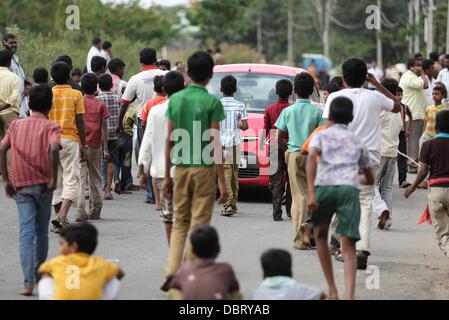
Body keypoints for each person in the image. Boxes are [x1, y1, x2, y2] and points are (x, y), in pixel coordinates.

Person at [324, 58, 401, 269]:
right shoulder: (375, 97)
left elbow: (328, 129)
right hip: (370, 159)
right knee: (365, 202)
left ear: (344, 78)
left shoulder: (334, 97)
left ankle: (335, 240)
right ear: (365, 77)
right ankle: (361, 249)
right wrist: (377, 84)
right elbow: (397, 106)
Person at [161, 51, 228, 290]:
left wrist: (167, 176)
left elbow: (169, 139)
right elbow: (215, 142)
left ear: (187, 73)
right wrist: (223, 182)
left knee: (180, 222)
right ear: (211, 76)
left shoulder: (176, 100)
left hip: (180, 168)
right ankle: (187, 274)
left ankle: (171, 271)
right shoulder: (212, 102)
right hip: (204, 169)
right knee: (199, 226)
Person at [307, 96, 375, 300]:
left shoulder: (321, 136)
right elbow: (369, 177)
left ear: (329, 116)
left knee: (320, 236)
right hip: (348, 190)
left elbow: (311, 158)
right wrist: (355, 176)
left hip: (324, 188)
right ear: (351, 118)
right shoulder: (357, 141)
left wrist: (311, 191)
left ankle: (333, 290)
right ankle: (350, 296)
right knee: (348, 246)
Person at [0, 84, 60, 296]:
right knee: (41, 232)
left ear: (29, 104)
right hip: (44, 185)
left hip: (21, 185)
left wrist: (6, 179)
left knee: (26, 233)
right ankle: (38, 274)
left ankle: (28, 283)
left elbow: (2, 147)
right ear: (50, 105)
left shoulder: (16, 126)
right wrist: (54, 177)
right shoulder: (51, 127)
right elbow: (54, 148)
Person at [275, 73, 323, 250]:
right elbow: (322, 134)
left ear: (294, 91)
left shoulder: (288, 111)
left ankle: (300, 238)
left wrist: (287, 147)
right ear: (312, 91)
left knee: (298, 196)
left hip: (294, 154)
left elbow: (278, 135)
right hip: (314, 156)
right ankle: (312, 235)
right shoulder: (318, 112)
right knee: (313, 194)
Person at [139, 71, 185, 245]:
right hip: (187, 170)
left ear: (164, 89)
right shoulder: (192, 109)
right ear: (183, 88)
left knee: (169, 214)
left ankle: (173, 249)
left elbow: (148, 139)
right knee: (184, 213)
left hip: (161, 172)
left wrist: (142, 169)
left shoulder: (156, 111)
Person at [38, 223, 125, 300]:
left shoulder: (57, 262)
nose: (60, 248)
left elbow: (41, 271)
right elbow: (120, 273)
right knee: (111, 277)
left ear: (73, 247)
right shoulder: (100, 264)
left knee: (46, 276)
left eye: (61, 244)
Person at [48, 62, 87, 232]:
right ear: (69, 76)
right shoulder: (76, 94)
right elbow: (80, 121)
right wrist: (84, 144)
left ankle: (60, 220)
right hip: (69, 140)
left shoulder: (47, 94)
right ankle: (62, 215)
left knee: (56, 180)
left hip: (50, 140)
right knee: (71, 178)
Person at [405, 110, 449, 258]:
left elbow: (423, 171)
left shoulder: (428, 145)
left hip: (436, 191)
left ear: (436, 128)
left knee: (443, 234)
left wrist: (412, 187)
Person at [167, 225, 241, 300]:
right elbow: (235, 288)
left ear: (192, 251)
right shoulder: (226, 269)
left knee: (173, 292)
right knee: (236, 295)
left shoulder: (185, 268)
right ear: (218, 249)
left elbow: (174, 286)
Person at [76, 73, 109, 221]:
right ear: (96, 87)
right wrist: (106, 147)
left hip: (80, 144)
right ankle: (96, 210)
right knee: (96, 178)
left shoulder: (78, 102)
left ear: (81, 87)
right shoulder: (100, 105)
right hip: (96, 145)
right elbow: (104, 128)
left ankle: (80, 211)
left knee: (80, 178)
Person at [371, 79, 404, 231]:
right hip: (393, 151)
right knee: (387, 188)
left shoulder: (381, 109)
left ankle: (381, 210)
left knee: (372, 185)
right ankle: (388, 220)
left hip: (379, 151)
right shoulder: (398, 110)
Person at [261, 80, 293, 221]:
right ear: (291, 92)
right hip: (291, 145)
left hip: (274, 144)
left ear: (276, 91)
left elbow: (266, 130)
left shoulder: (269, 109)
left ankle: (276, 213)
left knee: (276, 179)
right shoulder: (292, 109)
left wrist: (262, 144)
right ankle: (290, 211)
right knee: (291, 178)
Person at [219, 75, 249, 216]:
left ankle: (228, 205)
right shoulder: (240, 105)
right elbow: (245, 127)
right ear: (235, 90)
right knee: (234, 175)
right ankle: (233, 203)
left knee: (226, 174)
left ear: (220, 89)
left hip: (221, 144)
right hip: (236, 143)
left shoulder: (216, 105)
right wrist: (238, 124)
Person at [251, 249, 324, 300]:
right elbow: (322, 295)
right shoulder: (302, 290)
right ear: (291, 273)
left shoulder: (256, 295)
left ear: (263, 275)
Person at [140, 75, 167, 208]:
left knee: (154, 169)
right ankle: (166, 196)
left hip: (153, 138)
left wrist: (145, 135)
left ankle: (156, 201)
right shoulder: (168, 103)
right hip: (167, 137)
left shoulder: (149, 104)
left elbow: (143, 123)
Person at [399, 58, 429, 174]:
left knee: (415, 140)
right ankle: (412, 165)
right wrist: (423, 73)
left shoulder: (412, 76)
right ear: (411, 67)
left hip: (416, 113)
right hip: (413, 114)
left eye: (421, 65)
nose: (421, 67)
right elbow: (425, 85)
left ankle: (413, 164)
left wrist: (420, 73)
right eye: (418, 65)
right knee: (414, 141)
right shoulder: (410, 77)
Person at [97, 74, 120, 201]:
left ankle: (100, 187)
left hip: (100, 135)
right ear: (111, 85)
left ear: (99, 86)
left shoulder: (97, 99)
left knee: (100, 161)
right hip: (114, 134)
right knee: (111, 161)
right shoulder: (117, 98)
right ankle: (107, 190)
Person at [116, 102, 138, 194]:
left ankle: (116, 180)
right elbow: (138, 123)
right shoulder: (133, 110)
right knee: (126, 163)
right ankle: (124, 186)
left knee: (116, 161)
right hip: (127, 137)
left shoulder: (115, 106)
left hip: (116, 136)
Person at [0, 50, 21, 142]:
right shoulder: (14, 77)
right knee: (10, 145)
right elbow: (14, 98)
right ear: (10, 62)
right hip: (9, 114)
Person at [396, 86, 413, 189]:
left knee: (403, 157)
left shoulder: (404, 107)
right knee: (391, 157)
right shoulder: (391, 106)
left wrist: (408, 129)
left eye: (401, 94)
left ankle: (403, 180)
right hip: (392, 133)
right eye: (397, 94)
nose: (400, 97)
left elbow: (410, 116)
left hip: (401, 133)